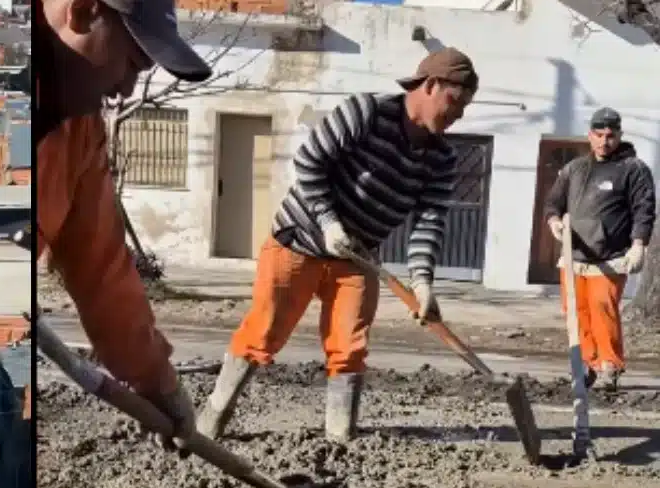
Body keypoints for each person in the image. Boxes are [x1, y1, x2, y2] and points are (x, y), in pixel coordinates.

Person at [196, 48, 477, 443]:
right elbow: (310, 162)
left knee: (349, 347)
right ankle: (211, 421)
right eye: (456, 102)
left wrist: (423, 283)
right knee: (264, 334)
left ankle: (340, 439)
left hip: (357, 257)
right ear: (429, 86)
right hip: (299, 241)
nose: (459, 114)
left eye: (466, 107)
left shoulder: (442, 159)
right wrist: (328, 222)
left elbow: (429, 221)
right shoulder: (365, 113)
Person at [35, 0, 211, 449]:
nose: (127, 91)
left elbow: (102, 269)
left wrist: (158, 381)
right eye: (131, 64)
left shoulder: (81, 132)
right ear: (85, 14)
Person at [544, 107, 655, 391]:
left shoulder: (633, 169)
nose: (605, 141)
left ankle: (610, 366)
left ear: (619, 136)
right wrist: (554, 221)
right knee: (576, 312)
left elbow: (644, 209)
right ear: (590, 135)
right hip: (575, 256)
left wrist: (639, 244)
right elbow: (553, 203)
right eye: (599, 134)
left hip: (611, 257)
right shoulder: (575, 169)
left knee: (602, 308)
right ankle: (589, 364)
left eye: (611, 135)